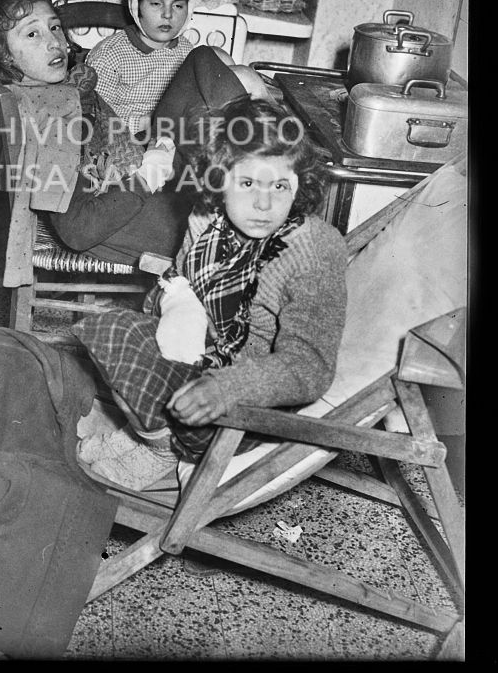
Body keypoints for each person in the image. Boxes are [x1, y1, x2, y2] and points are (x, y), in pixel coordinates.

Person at [72, 95, 348, 491]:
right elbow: (175, 289)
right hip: (200, 360)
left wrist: (225, 386)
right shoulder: (206, 217)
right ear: (220, 179)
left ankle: (161, 450)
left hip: (250, 401)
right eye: (248, 182)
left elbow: (310, 367)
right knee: (112, 333)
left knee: (137, 360)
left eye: (281, 185)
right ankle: (155, 439)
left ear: (300, 183)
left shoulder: (314, 248)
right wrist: (175, 303)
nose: (264, 204)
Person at [0, 0, 274, 266]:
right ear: (5, 58)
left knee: (207, 57)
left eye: (55, 27)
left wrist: (154, 146)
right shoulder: (48, 122)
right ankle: (269, 177)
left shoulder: (52, 94)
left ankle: (264, 162)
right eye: (32, 35)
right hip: (149, 221)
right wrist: (148, 175)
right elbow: (77, 231)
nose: (53, 42)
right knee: (237, 79)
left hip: (136, 178)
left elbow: (102, 144)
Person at [86, 0, 267, 138]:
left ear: (188, 10)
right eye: (156, 3)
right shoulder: (110, 54)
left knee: (218, 57)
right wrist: (142, 122)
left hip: (181, 130)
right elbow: (94, 113)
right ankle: (270, 130)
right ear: (137, 6)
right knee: (238, 72)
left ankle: (262, 130)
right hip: (137, 137)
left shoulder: (185, 49)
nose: (167, 14)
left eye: (178, 5)